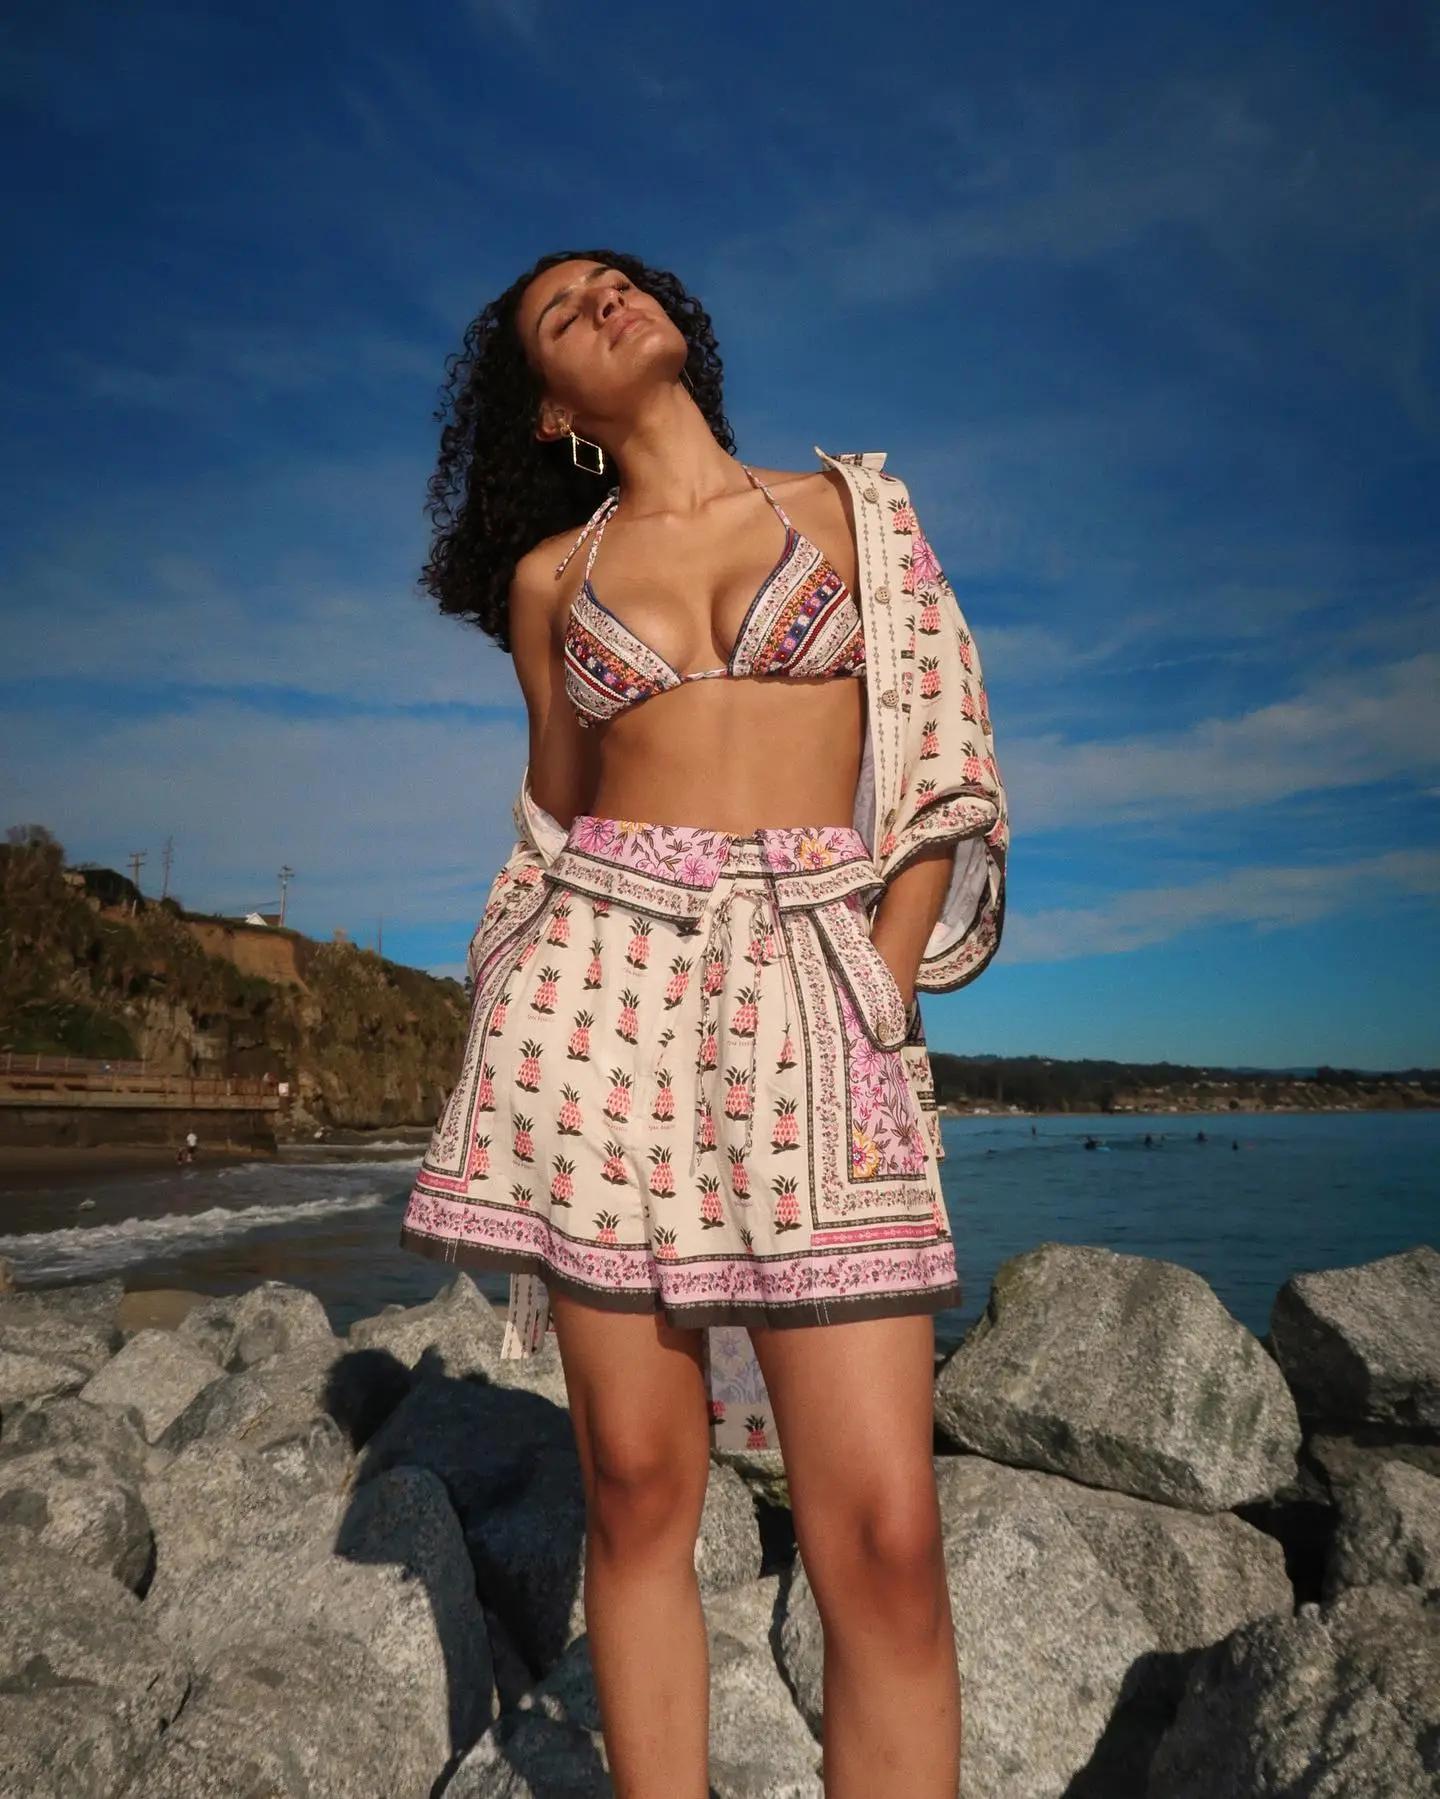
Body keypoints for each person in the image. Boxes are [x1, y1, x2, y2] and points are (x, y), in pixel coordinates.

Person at [399, 251, 1009, 1795]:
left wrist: (879, 975)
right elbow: (554, 818)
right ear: (550, 411)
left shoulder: (859, 511)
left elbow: (940, 759)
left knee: (880, 1536)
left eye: (617, 279)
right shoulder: (555, 584)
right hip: (602, 1002)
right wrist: (515, 1001)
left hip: (815, 995)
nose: (604, 299)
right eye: (562, 312)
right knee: (635, 1484)